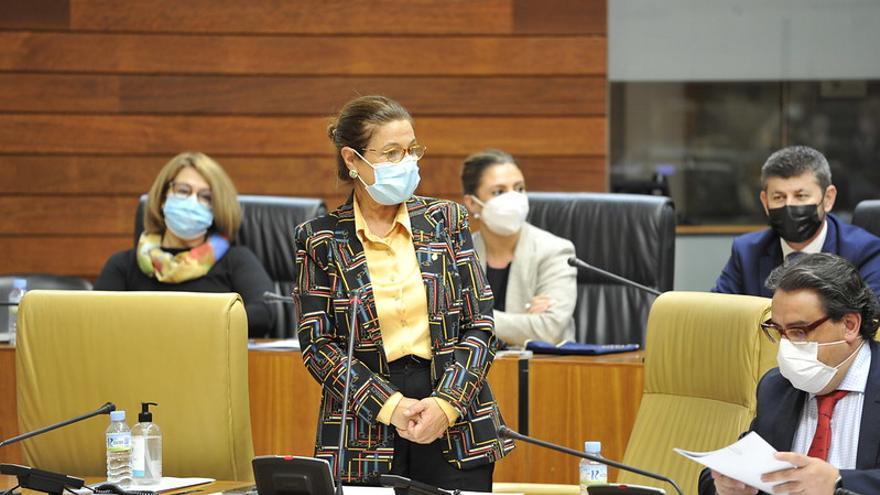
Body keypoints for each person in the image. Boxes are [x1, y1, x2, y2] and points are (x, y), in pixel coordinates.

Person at [293, 96, 513, 491]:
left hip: (455, 419)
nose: (407, 162)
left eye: (412, 150)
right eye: (392, 153)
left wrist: (447, 405)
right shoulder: (320, 239)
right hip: (365, 425)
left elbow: (480, 324)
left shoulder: (446, 220)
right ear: (352, 159)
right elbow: (318, 345)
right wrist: (389, 407)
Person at [699, 253, 880, 495]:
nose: (786, 346)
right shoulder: (777, 388)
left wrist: (837, 482)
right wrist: (725, 486)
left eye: (799, 331)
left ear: (849, 325)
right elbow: (729, 468)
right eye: (778, 330)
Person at [95, 151, 276, 338]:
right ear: (163, 198)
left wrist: (190, 324)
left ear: (217, 208)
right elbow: (93, 319)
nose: (192, 202)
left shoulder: (236, 260)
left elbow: (265, 314)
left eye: (205, 197)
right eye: (183, 191)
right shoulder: (123, 265)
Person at [712, 145, 880, 297]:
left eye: (801, 196)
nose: (789, 205)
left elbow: (867, 322)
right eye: (778, 197)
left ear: (828, 198)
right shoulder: (747, 251)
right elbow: (720, 315)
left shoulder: (865, 252)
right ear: (765, 202)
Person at [460, 149, 577, 346]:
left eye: (519, 188)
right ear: (472, 203)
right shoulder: (459, 256)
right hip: (473, 370)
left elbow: (548, 329)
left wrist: (472, 318)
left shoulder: (556, 251)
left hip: (544, 369)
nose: (513, 198)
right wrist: (522, 322)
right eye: (498, 192)